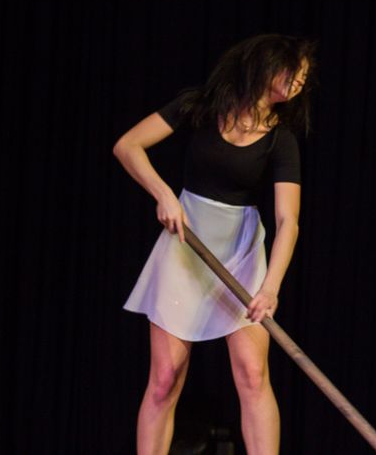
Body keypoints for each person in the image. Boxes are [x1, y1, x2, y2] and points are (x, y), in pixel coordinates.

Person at [113, 34, 315, 455]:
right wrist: (164, 195)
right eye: (293, 71)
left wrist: (270, 288)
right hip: (186, 247)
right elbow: (128, 146)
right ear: (265, 64)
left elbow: (288, 221)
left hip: (240, 252)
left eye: (303, 77)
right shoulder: (200, 107)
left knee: (252, 374)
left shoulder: (281, 140)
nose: (299, 81)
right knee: (165, 377)